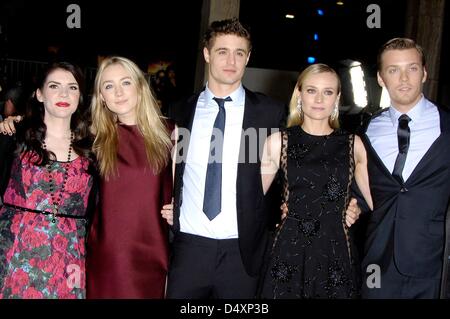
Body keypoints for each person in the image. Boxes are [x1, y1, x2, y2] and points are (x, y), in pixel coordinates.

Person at [160, 18, 286, 298]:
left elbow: (294, 167)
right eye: (222, 51)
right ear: (207, 54)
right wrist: (168, 201)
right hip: (189, 248)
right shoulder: (180, 110)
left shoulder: (268, 112)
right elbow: (167, 168)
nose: (231, 60)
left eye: (239, 53)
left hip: (242, 252)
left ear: (248, 57)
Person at [257, 63, 373, 299]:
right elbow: (252, 201)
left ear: (337, 98)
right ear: (299, 94)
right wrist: (275, 212)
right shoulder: (278, 141)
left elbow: (375, 202)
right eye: (311, 90)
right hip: (289, 250)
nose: (319, 99)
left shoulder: (354, 144)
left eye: (328, 92)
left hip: (336, 251)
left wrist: (356, 206)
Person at [360, 38, 450, 298]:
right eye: (393, 70)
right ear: (380, 78)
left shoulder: (447, 126)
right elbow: (359, 189)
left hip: (433, 265)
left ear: (424, 72)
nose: (403, 78)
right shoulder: (366, 131)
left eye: (411, 68)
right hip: (377, 263)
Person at [0, 62, 97, 298]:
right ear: (40, 94)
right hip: (13, 253)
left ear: (79, 97)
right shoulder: (14, 136)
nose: (64, 94)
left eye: (72, 88)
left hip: (69, 260)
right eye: (54, 86)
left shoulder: (94, 148)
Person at [85, 56, 173, 298]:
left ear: (140, 86)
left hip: (152, 254)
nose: (118, 92)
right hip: (107, 256)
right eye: (109, 86)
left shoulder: (171, 134)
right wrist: (12, 123)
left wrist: (182, 208)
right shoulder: (93, 139)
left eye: (125, 82)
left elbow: (193, 186)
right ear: (101, 95)